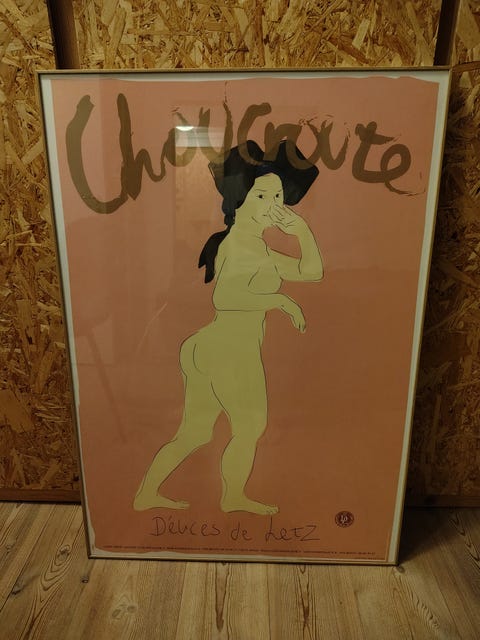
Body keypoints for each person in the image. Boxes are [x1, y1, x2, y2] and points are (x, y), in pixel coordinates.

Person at [134, 140, 324, 515]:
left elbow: (311, 272)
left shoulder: (259, 249)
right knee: (250, 426)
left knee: (195, 432)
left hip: (208, 347)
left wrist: (302, 232)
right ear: (239, 201)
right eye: (262, 196)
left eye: (278, 196)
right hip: (230, 350)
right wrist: (280, 301)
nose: (273, 205)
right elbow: (224, 297)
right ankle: (232, 497)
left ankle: (146, 493)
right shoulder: (240, 246)